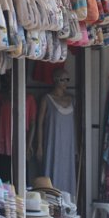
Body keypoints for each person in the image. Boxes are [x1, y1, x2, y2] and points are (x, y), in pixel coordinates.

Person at [36, 68, 76, 196]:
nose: (65, 82)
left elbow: (77, 124)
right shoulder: (47, 99)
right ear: (55, 80)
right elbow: (40, 123)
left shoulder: (72, 99)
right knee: (51, 172)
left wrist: (77, 147)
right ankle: (52, 202)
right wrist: (40, 146)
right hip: (52, 143)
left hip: (68, 145)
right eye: (62, 79)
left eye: (67, 79)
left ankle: (68, 203)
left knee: (68, 172)